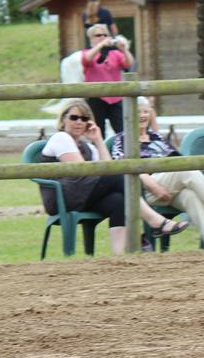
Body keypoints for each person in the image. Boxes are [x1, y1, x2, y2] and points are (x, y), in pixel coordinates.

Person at [41, 99, 188, 255]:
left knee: (118, 200)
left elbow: (109, 166)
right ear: (63, 119)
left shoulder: (87, 147)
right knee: (120, 176)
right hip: (62, 198)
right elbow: (81, 171)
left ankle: (118, 257)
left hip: (82, 195)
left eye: (84, 119)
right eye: (74, 117)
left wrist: (97, 140)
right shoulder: (61, 138)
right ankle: (155, 221)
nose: (79, 122)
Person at [112, 97, 204, 249]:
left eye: (146, 111)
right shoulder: (122, 139)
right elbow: (123, 167)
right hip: (144, 190)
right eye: (138, 112)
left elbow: (176, 158)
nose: (143, 115)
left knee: (192, 196)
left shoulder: (156, 137)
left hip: (170, 185)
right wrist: (154, 186)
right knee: (186, 169)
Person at [82, 22, 134, 138]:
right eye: (98, 35)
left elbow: (129, 63)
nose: (102, 37)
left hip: (115, 98)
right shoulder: (87, 53)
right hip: (96, 98)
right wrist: (100, 46)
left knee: (123, 132)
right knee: (98, 132)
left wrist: (124, 49)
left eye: (105, 35)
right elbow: (87, 59)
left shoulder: (115, 53)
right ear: (91, 38)